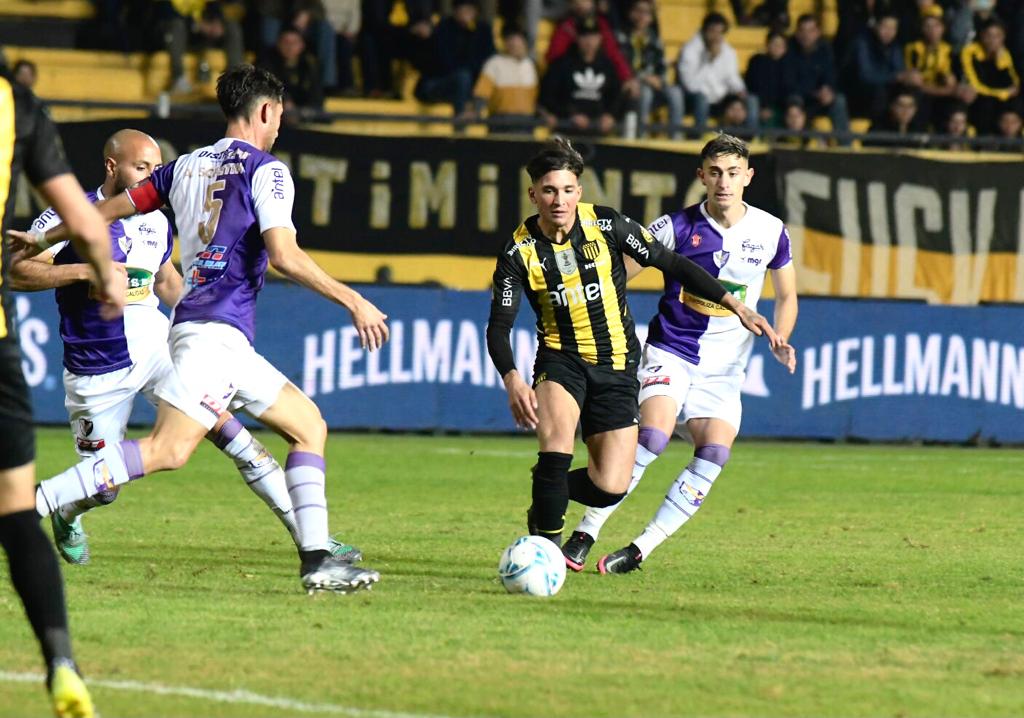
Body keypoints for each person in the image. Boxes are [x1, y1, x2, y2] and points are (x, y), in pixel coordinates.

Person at [9, 65, 389, 595]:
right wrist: (354, 300)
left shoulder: (182, 168)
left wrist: (45, 233)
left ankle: (318, 555)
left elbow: (105, 212)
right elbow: (283, 255)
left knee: (308, 425)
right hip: (207, 338)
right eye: (278, 114)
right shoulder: (269, 170)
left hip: (205, 336)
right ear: (263, 111)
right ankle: (29, 507)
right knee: (168, 451)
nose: (279, 125)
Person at [485, 136, 779, 551]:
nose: (558, 200)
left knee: (610, 486)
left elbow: (673, 262)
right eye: (549, 190)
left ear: (579, 193)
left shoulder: (608, 225)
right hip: (560, 359)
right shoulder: (518, 251)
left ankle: (546, 492)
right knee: (556, 449)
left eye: (567, 190)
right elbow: (499, 325)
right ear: (533, 194)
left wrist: (734, 303)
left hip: (618, 363)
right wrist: (513, 378)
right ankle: (544, 552)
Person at [561, 134, 798, 575]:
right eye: (715, 173)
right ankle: (585, 531)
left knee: (714, 455)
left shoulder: (770, 232)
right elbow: (617, 276)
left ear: (748, 177)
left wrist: (780, 337)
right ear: (701, 177)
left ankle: (640, 549)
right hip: (673, 350)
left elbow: (788, 295)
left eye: (732, 173)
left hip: (726, 368)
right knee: (652, 437)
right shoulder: (673, 228)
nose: (723, 182)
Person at [0, 70, 123, 718]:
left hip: (140, 353)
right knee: (17, 510)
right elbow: (82, 223)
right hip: (4, 343)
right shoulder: (16, 105)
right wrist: (99, 274)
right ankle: (61, 664)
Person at [539, 17, 624, 136]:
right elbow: (547, 97)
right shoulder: (561, 65)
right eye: (584, 36)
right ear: (577, 38)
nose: (589, 42)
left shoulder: (608, 66)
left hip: (598, 130)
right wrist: (569, 115)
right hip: (567, 130)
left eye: (593, 37)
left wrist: (610, 114)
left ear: (600, 39)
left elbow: (617, 95)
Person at [677, 12, 758, 134]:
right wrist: (709, 60)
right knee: (701, 99)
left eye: (720, 32)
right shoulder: (690, 50)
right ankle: (697, 138)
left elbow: (732, 77)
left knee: (751, 100)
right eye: (713, 31)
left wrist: (741, 91)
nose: (716, 36)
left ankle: (748, 141)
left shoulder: (728, 51)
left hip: (721, 100)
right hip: (694, 99)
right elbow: (691, 86)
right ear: (705, 30)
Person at [617, 0, 683, 139]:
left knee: (675, 92)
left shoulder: (655, 39)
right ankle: (641, 135)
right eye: (638, 11)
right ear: (631, 13)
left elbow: (660, 65)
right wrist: (644, 77)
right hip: (631, 83)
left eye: (646, 13)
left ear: (651, 17)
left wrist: (660, 79)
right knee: (645, 93)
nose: (642, 16)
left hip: (653, 82)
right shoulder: (621, 36)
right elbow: (622, 66)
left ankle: (675, 137)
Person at [780, 14, 850, 139]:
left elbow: (830, 76)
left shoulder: (825, 50)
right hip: (798, 99)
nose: (806, 35)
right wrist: (814, 92)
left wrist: (828, 90)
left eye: (811, 31)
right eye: (802, 30)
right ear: (797, 33)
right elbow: (788, 83)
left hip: (818, 100)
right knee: (794, 104)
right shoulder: (788, 51)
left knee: (839, 100)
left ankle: (845, 148)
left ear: (818, 33)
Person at [471, 24, 539, 133]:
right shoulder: (494, 63)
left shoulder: (531, 65)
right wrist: (476, 110)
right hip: (500, 121)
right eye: (510, 41)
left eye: (518, 41)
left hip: (527, 123)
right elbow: (482, 93)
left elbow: (536, 98)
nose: (514, 45)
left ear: (525, 43)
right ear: (505, 43)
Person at [960, 17, 1021, 136]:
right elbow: (976, 85)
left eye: (997, 36)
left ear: (1003, 38)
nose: (993, 40)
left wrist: (1000, 63)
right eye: (989, 35)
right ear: (982, 35)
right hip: (978, 98)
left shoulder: (1004, 53)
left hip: (995, 95)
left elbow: (1013, 84)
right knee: (986, 104)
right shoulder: (970, 51)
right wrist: (1002, 94)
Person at [257, 26, 324, 122]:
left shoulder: (309, 65)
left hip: (303, 113)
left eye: (294, 43)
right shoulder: (267, 64)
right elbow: (265, 91)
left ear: (302, 45)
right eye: (286, 42)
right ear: (278, 44)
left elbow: (316, 95)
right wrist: (284, 102)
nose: (290, 47)